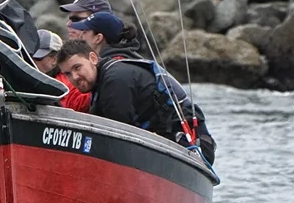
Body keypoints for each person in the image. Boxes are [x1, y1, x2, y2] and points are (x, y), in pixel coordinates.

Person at [57, 38, 216, 163]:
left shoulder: (115, 80)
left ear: (93, 58)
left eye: (77, 67)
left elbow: (118, 136)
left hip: (190, 142)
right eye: (68, 74)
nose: (75, 77)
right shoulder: (101, 83)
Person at [33, 28, 91, 112]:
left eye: (38, 58)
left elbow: (78, 106)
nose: (32, 61)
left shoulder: (66, 80)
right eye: (30, 56)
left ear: (55, 59)